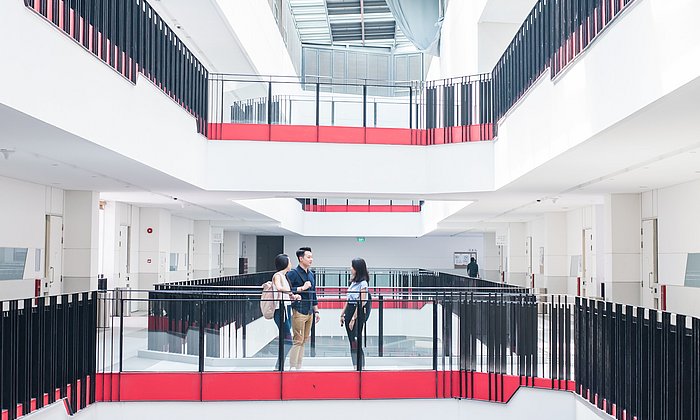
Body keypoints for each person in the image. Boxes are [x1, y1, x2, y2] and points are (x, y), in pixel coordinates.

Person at [286, 247, 319, 369]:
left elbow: (313, 293)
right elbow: (287, 290)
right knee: (298, 340)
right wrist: (302, 288)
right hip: (299, 310)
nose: (311, 259)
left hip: (310, 311)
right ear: (301, 258)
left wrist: (316, 310)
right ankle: (292, 367)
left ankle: (299, 366)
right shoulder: (293, 273)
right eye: (308, 257)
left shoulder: (311, 274)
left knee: (304, 340)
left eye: (311, 257)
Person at [270, 254, 299, 370]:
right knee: (288, 340)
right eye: (289, 261)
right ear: (285, 263)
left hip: (286, 309)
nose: (291, 264)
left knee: (286, 338)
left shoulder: (284, 276)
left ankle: (279, 366)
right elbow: (278, 287)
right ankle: (279, 366)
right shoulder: (278, 275)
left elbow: (284, 292)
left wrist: (291, 295)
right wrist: (291, 293)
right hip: (280, 310)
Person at [340, 258, 369, 369]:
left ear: (357, 268)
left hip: (357, 312)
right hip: (349, 310)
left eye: (352, 266)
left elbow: (361, 302)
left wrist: (353, 318)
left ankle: (361, 366)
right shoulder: (353, 282)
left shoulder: (363, 283)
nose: (350, 268)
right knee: (351, 340)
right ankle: (355, 365)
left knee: (356, 339)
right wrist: (342, 313)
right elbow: (348, 300)